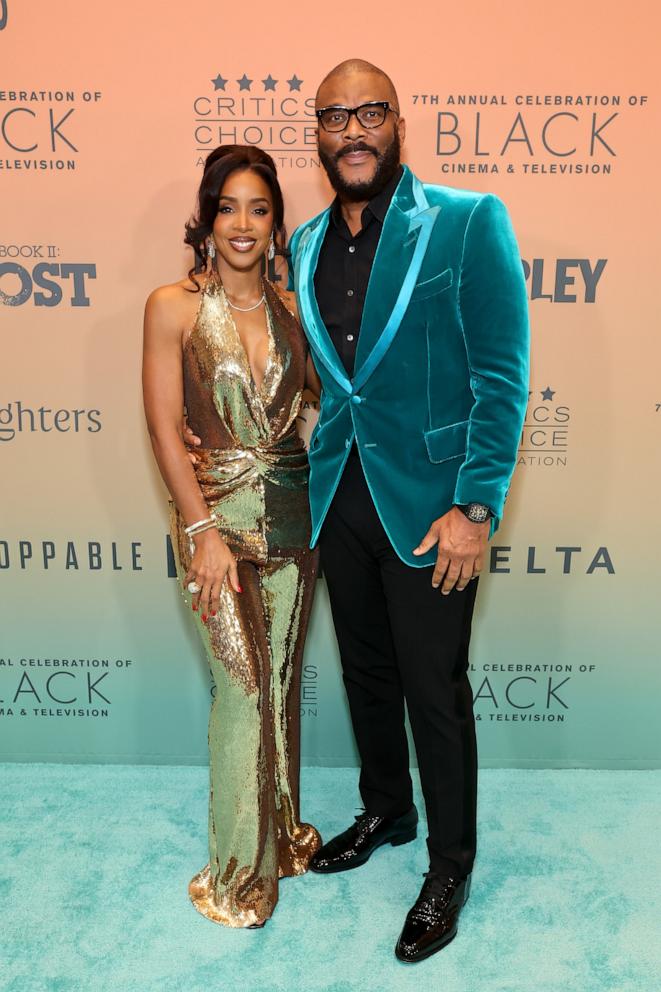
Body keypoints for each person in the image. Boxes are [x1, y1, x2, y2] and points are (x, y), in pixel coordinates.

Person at [288, 59, 530, 963]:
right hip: (339, 499)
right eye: (334, 115)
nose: (352, 130)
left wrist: (475, 505)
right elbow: (323, 380)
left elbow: (501, 374)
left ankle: (449, 866)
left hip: (433, 508)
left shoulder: (467, 221)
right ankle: (386, 810)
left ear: (398, 122)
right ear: (317, 133)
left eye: (370, 112)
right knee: (364, 675)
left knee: (435, 692)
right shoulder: (304, 243)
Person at [142, 144, 321, 929]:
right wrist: (202, 529)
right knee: (242, 695)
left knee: (278, 689)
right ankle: (237, 878)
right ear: (206, 218)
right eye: (227, 207)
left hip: (292, 521)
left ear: (276, 220)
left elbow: (342, 397)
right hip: (217, 526)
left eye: (258, 208)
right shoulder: (172, 306)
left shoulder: (295, 308)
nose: (242, 224)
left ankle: (279, 836)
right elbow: (162, 424)